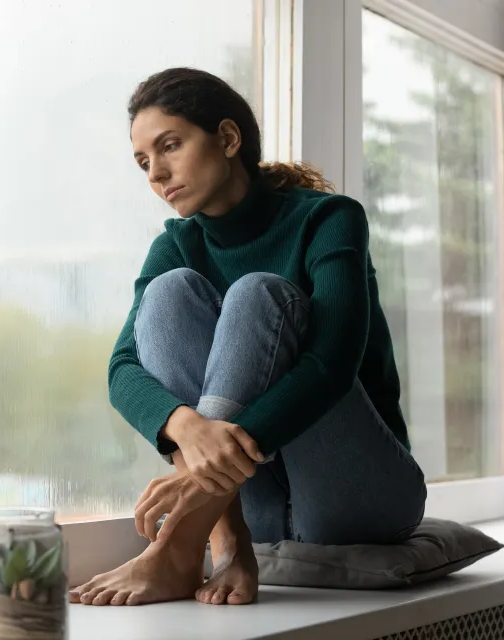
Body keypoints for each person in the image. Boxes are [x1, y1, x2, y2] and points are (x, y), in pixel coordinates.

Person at [69, 68, 426, 608]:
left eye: (170, 146)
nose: (156, 173)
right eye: (143, 161)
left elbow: (332, 362)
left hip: (361, 498)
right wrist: (181, 423)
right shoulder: (177, 244)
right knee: (167, 296)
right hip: (254, 513)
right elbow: (123, 368)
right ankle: (224, 541)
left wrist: (203, 469)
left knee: (258, 293)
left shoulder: (329, 219)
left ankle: (178, 543)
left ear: (229, 139)